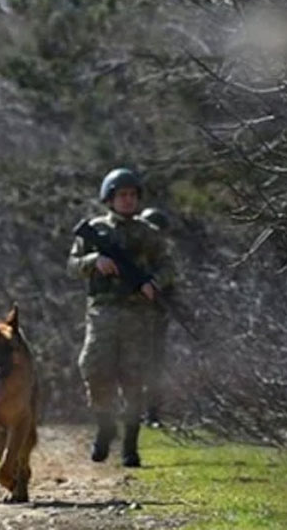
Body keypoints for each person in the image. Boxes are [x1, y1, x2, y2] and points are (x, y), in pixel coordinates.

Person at [67, 167, 173, 468]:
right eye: (121, 195)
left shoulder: (149, 234)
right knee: (94, 368)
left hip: (138, 315)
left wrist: (154, 283)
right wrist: (93, 261)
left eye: (132, 195)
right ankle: (104, 425)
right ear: (109, 199)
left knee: (133, 379)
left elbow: (168, 266)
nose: (127, 200)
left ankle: (130, 445)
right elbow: (72, 265)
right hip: (102, 312)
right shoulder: (96, 230)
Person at [138, 207, 172, 428]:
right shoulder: (134, 254)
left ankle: (152, 413)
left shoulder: (163, 258)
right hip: (131, 317)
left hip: (156, 318)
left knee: (154, 367)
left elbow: (170, 281)